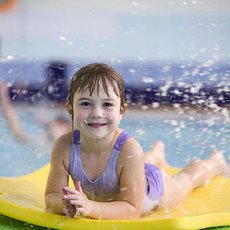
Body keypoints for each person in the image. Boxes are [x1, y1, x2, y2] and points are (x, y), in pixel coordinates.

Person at [45, 63, 230, 220]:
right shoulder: (63, 147)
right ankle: (156, 153)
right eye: (85, 103)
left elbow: (132, 209)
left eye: (107, 104)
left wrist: (91, 207)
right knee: (135, 166)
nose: (96, 113)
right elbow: (51, 196)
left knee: (185, 182)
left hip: (150, 192)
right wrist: (63, 203)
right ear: (71, 110)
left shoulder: (129, 149)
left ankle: (215, 163)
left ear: (121, 112)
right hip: (132, 172)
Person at [0, 82, 71, 144]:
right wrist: (4, 98)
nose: (56, 130)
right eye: (56, 126)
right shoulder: (43, 145)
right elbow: (19, 135)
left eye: (59, 127)